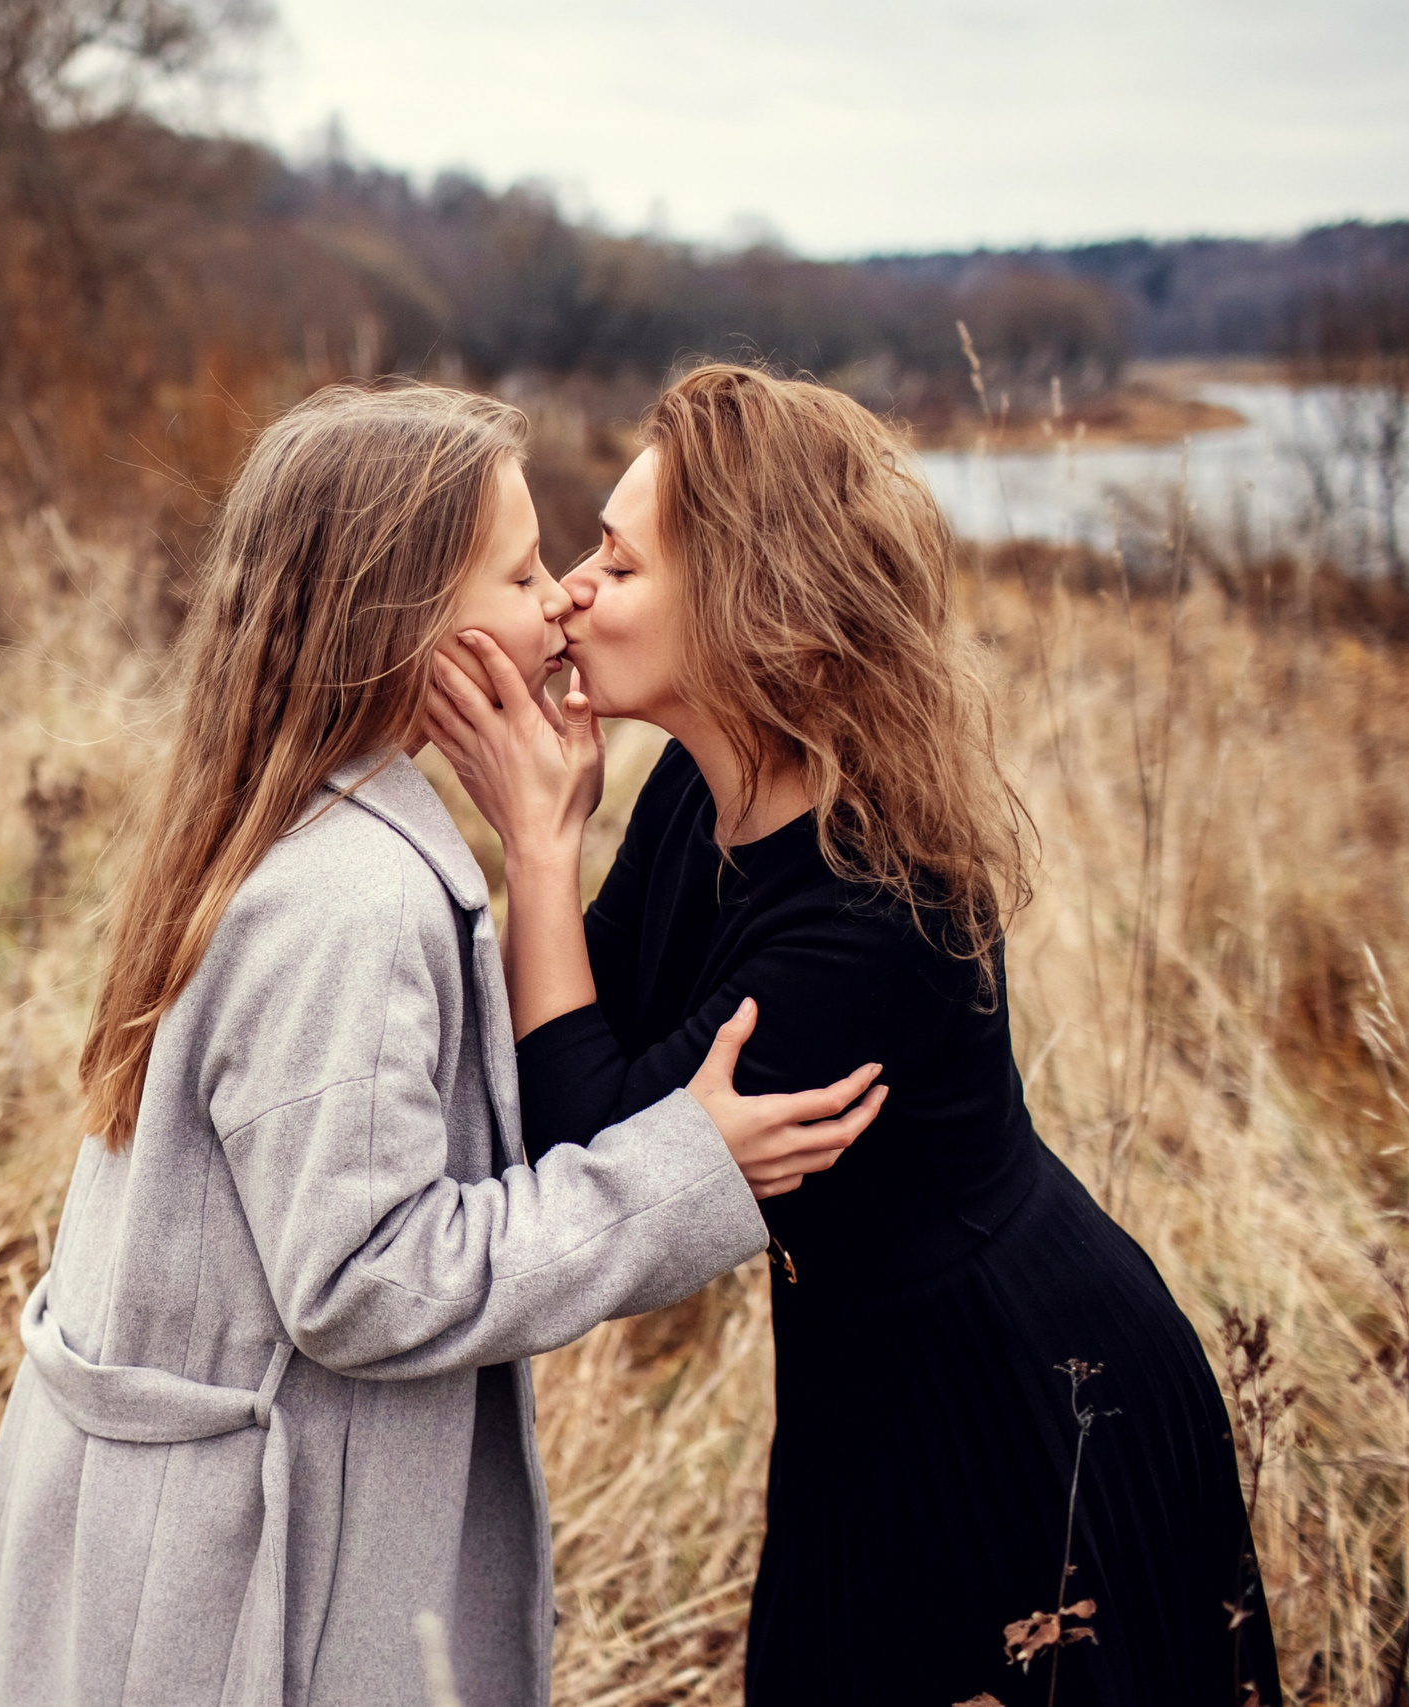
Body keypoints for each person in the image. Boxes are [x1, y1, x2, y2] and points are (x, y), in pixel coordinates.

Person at [0, 381, 886, 1707]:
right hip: (245, 1601)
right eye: (520, 569)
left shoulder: (298, 830)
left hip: (181, 1552)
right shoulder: (354, 902)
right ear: (401, 625)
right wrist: (685, 1172)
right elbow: (361, 1278)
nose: (559, 596)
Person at [425, 363, 1283, 1707]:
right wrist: (558, 854)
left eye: (620, 562)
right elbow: (579, 1070)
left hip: (1014, 1395)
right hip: (862, 1379)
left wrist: (538, 850)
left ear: (758, 616)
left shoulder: (877, 909)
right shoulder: (699, 801)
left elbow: (595, 1146)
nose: (576, 588)